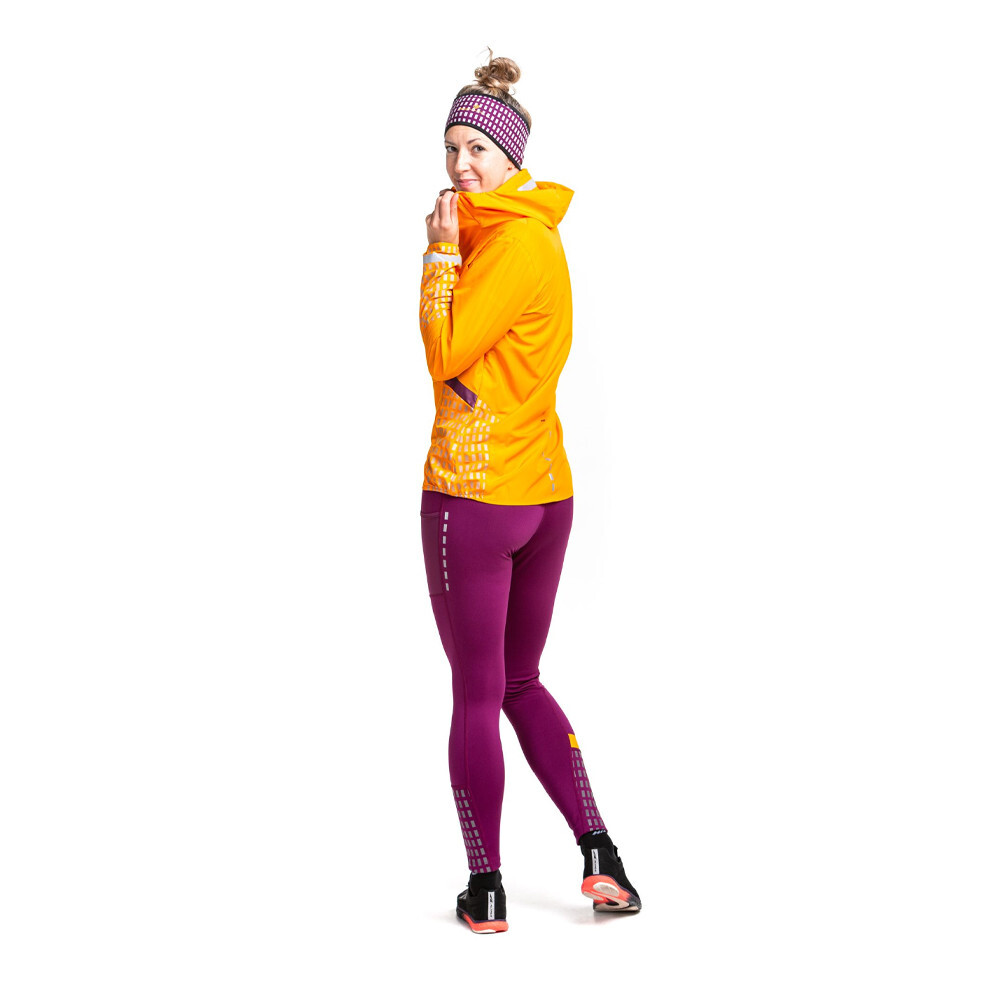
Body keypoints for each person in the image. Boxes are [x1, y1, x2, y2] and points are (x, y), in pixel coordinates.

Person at [419, 51, 641, 934]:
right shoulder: (531, 233)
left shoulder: (507, 244)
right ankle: (601, 856)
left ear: (513, 156)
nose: (461, 165)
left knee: (480, 693)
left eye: (478, 148)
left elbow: (446, 352)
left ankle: (486, 888)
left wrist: (440, 256)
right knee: (519, 680)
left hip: (477, 495)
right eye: (451, 147)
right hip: (544, 491)